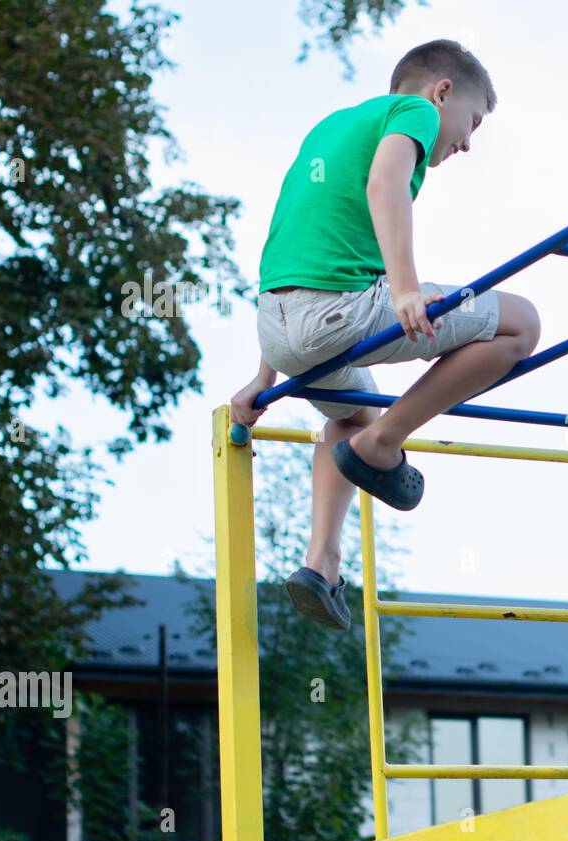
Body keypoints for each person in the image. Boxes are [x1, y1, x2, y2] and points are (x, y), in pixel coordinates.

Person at [229, 39, 541, 630]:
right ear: (442, 90)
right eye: (471, 122)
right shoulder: (416, 112)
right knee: (523, 321)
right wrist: (405, 290)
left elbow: (289, 241)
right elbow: (385, 186)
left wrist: (263, 374)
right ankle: (384, 445)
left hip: (279, 323)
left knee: (347, 416)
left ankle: (320, 564)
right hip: (339, 311)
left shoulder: (330, 127)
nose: (468, 142)